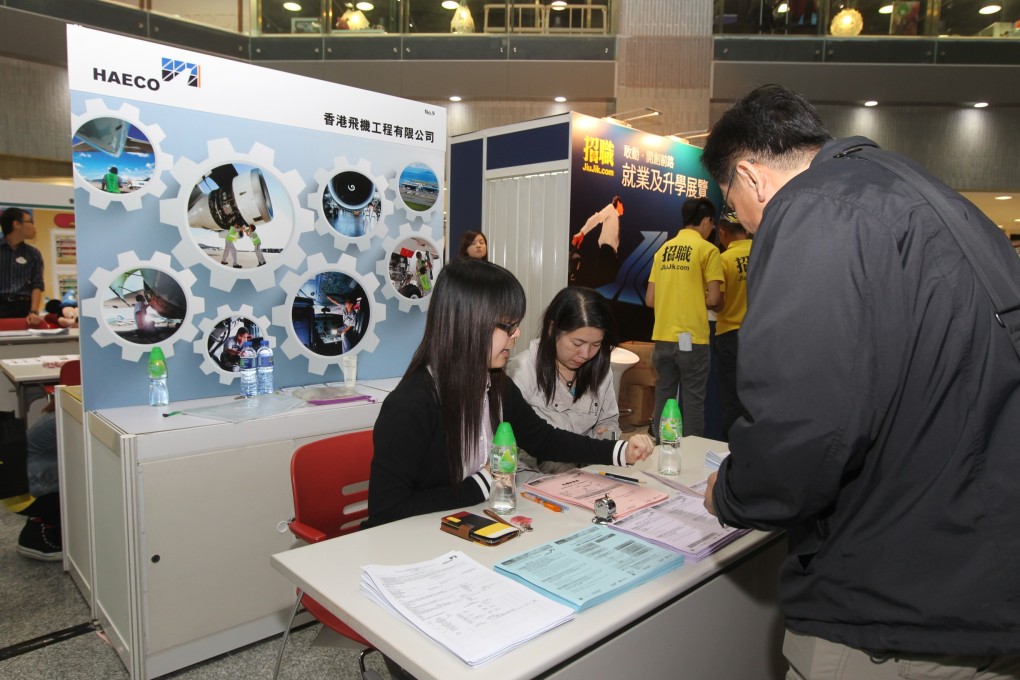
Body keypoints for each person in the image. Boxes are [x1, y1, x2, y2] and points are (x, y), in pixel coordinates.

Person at [701, 84, 1020, 678]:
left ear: (750, 176)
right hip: (977, 578)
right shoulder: (929, 196)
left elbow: (802, 421)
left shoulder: (815, 207)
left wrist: (733, 492)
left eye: (730, 205)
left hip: (893, 607)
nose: (739, 223)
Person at [366, 259, 653, 529]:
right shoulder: (412, 404)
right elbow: (387, 511)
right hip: (423, 543)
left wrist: (620, 451)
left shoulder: (496, 386)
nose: (516, 335)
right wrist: (484, 481)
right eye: (507, 326)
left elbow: (545, 440)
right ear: (468, 323)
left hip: (477, 525)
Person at [507, 287, 621, 474]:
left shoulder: (600, 368)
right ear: (552, 329)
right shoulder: (522, 370)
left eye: (596, 345)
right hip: (534, 476)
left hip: (588, 470)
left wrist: (608, 436)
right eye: (577, 343)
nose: (585, 354)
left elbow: (608, 421)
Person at [645, 197, 722, 440]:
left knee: (664, 398)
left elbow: (650, 299)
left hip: (663, 338)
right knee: (693, 402)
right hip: (693, 339)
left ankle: (657, 449)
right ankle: (691, 457)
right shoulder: (708, 250)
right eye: (713, 224)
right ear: (707, 221)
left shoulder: (663, 250)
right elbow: (714, 300)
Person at [713, 218, 752, 438]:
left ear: (723, 232)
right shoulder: (765, 251)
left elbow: (718, 301)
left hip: (729, 336)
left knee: (731, 400)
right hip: (760, 337)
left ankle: (731, 455)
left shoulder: (724, 259)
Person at [15, 404, 62, 561]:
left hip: (20, 490)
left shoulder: (57, 412)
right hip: (29, 494)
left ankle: (43, 524)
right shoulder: (61, 419)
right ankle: (39, 531)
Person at [0, 207, 45, 325]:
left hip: (24, 308)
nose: (34, 226)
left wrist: (34, 311)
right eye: (30, 221)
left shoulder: (33, 253)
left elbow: (37, 284)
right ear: (17, 224)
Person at [571, 196, 624, 287]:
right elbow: (597, 217)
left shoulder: (615, 218)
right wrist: (582, 232)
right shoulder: (611, 208)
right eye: (623, 206)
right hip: (606, 252)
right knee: (603, 284)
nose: (624, 209)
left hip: (612, 255)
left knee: (611, 286)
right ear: (618, 203)